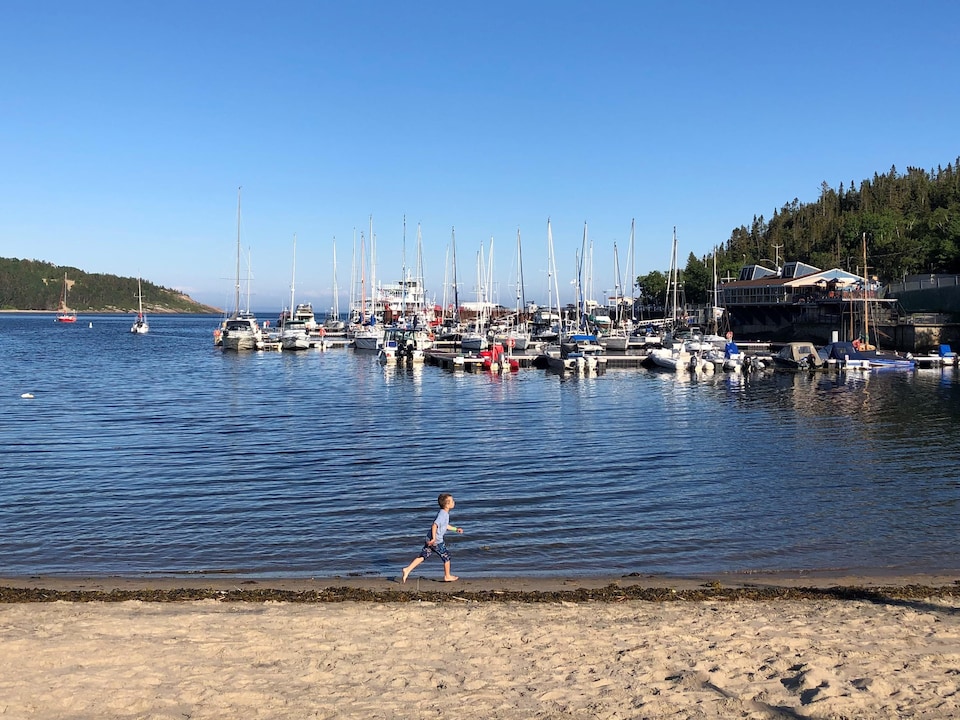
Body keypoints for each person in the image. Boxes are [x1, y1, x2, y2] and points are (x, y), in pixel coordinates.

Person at [401, 493, 464, 583]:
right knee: (447, 557)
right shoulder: (443, 515)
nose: (454, 502)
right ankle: (447, 576)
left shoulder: (443, 513)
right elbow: (435, 525)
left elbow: (445, 525)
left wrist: (455, 529)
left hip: (430, 538)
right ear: (447, 504)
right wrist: (434, 538)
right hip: (436, 541)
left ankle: (407, 569)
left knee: (423, 556)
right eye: (452, 501)